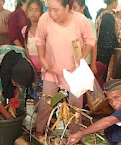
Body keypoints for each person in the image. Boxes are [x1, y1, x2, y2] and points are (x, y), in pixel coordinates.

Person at [35, 0, 95, 136]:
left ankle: (75, 135)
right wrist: (43, 59)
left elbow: (90, 40)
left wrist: (84, 55)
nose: (51, 14)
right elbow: (39, 39)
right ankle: (40, 131)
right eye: (49, 9)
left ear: (67, 7)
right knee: (47, 101)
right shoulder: (45, 19)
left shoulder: (80, 20)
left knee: (75, 105)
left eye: (55, 10)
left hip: (74, 71)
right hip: (52, 69)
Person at [0, 45, 34, 119]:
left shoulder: (28, 69)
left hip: (18, 54)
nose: (19, 86)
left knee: (20, 95)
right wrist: (8, 117)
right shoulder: (0, 71)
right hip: (2, 56)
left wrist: (16, 96)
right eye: (17, 84)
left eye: (21, 85)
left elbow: (21, 86)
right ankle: (1, 111)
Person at [21, 0, 43, 100]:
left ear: (41, 12)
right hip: (32, 67)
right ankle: (37, 115)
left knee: (46, 95)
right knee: (34, 94)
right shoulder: (25, 30)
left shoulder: (44, 29)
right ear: (27, 12)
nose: (33, 13)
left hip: (44, 67)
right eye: (30, 10)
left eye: (36, 10)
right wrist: (31, 65)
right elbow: (27, 49)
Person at [95, 0, 119, 81]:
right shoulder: (109, 15)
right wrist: (117, 44)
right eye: (116, 2)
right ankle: (100, 91)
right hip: (105, 49)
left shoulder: (101, 12)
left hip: (98, 46)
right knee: (102, 72)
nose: (117, 4)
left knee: (97, 70)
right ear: (113, 2)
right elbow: (109, 35)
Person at [72, 0, 97, 74]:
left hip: (86, 62)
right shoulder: (70, 23)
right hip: (73, 62)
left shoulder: (88, 22)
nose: (72, 11)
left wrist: (93, 64)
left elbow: (94, 44)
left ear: (82, 8)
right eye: (70, 8)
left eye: (74, 8)